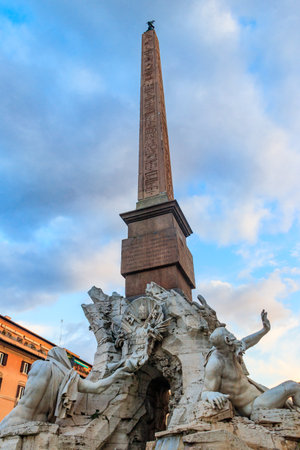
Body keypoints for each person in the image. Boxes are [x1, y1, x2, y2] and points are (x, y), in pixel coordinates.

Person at [0, 347, 135, 429]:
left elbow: (28, 398)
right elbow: (97, 388)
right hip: (40, 424)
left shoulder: (40, 365)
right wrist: (116, 375)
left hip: (16, 419)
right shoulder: (70, 377)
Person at [201, 310, 300, 417]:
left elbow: (246, 342)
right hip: (252, 406)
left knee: (291, 389)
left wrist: (265, 330)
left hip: (260, 396)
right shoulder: (215, 363)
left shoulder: (231, 349)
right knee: (293, 386)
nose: (233, 334)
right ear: (227, 340)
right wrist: (210, 395)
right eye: (230, 333)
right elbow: (206, 391)